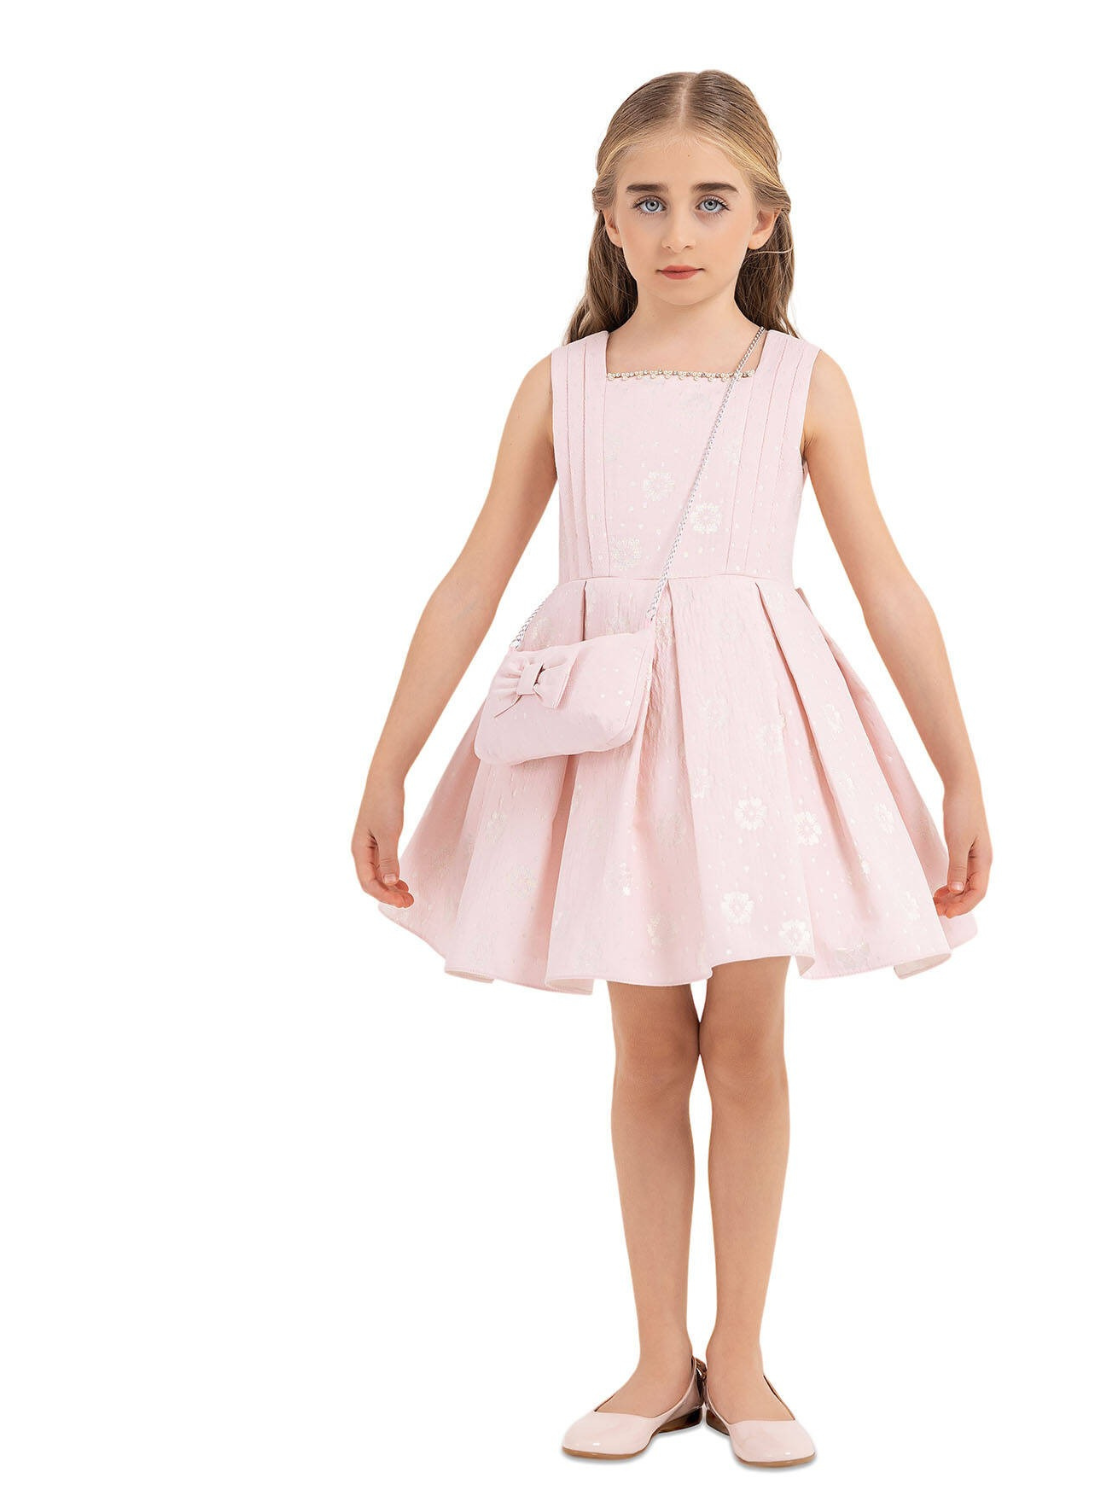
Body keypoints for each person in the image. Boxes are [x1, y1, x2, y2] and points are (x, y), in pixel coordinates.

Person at [351, 69, 990, 1467]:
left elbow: (886, 583)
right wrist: (391, 761)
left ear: (765, 219)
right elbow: (472, 579)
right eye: (648, 200)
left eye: (712, 201)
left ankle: (742, 1362)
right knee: (647, 1050)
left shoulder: (804, 383)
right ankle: (659, 1360)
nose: (679, 229)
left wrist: (959, 771)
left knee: (748, 1046)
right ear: (606, 216)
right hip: (608, 741)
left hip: (754, 737)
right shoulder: (562, 386)